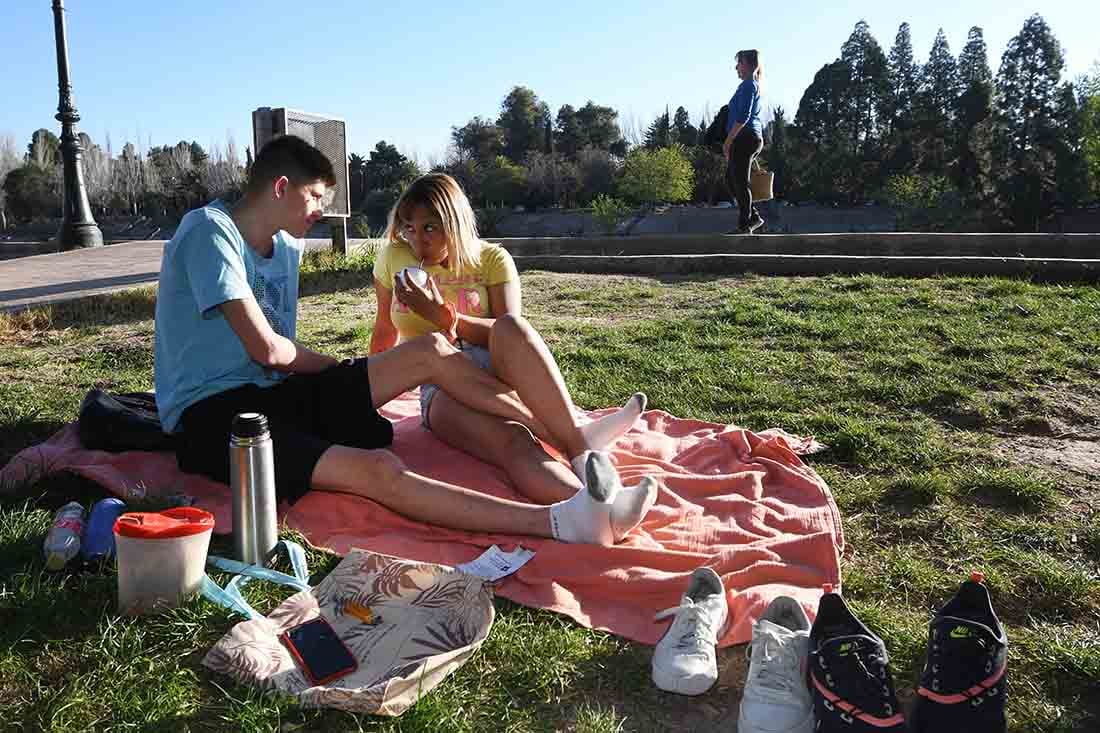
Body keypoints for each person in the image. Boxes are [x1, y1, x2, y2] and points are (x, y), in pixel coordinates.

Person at [153, 135, 651, 546]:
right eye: (315, 197)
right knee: (377, 468)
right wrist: (342, 370)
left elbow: (281, 359)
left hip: (276, 392)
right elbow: (269, 350)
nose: (321, 211)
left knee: (432, 350)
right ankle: (566, 522)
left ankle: (577, 444)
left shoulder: (285, 246)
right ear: (282, 187)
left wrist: (355, 374)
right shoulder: (209, 231)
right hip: (213, 414)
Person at [369, 172, 657, 539]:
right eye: (408, 227)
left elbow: (506, 336)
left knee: (511, 326)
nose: (417, 239)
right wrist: (366, 397)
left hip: (498, 373)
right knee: (513, 442)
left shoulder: (491, 259)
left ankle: (585, 462)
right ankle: (599, 503)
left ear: (454, 222)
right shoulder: (394, 258)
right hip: (439, 386)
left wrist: (444, 317)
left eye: (430, 228)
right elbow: (384, 329)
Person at [723, 49, 765, 234]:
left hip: (745, 138)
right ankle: (753, 217)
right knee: (732, 180)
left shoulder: (749, 85)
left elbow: (743, 116)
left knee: (739, 181)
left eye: (739, 63)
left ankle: (745, 224)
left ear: (748, 64)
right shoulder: (749, 85)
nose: (736, 67)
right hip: (746, 138)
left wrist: (728, 141)